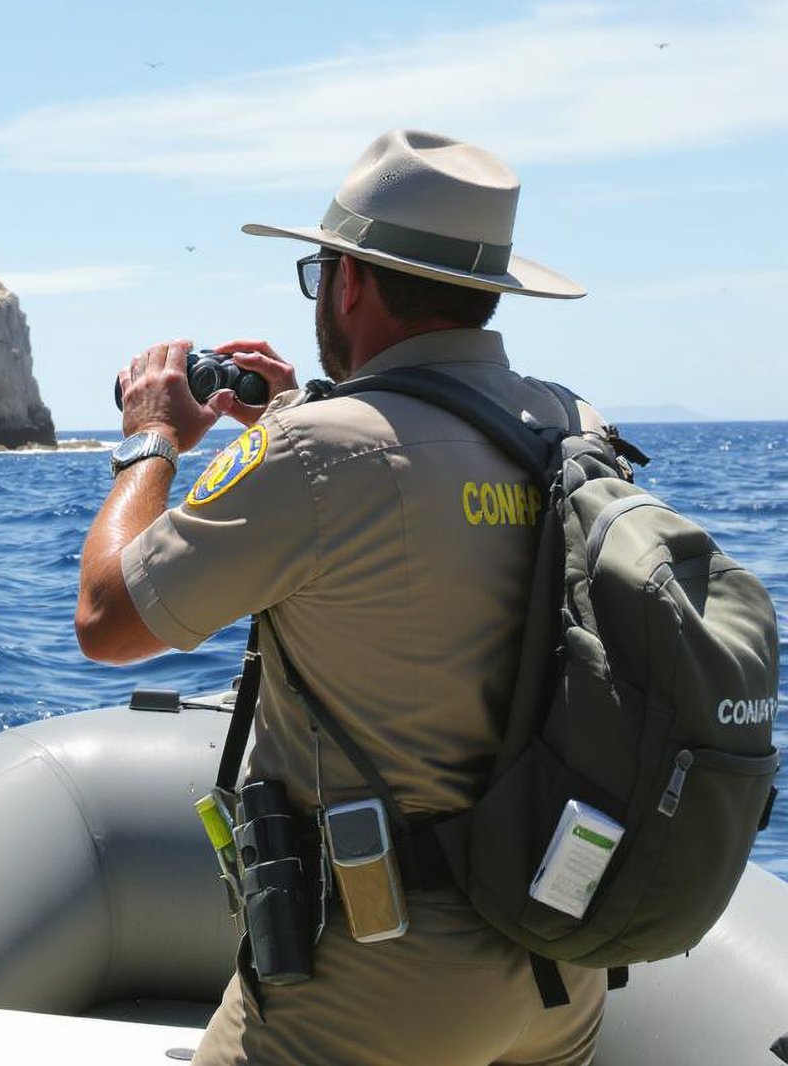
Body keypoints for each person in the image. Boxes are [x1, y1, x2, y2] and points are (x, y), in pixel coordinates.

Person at [74, 129, 609, 1064]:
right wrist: (294, 414)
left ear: (352, 282)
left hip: (384, 982)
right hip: (559, 962)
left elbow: (110, 621)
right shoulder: (574, 427)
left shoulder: (318, 457)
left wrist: (153, 438)